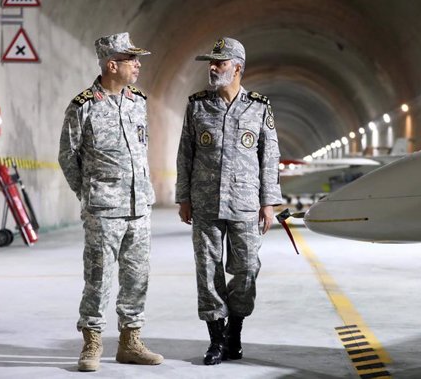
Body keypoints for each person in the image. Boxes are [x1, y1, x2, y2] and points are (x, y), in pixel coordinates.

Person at [58, 32, 163, 372]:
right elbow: (67, 157)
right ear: (111, 64)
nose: (138, 64)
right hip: (104, 209)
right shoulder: (83, 106)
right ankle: (92, 342)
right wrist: (89, 194)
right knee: (99, 277)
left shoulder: (138, 101)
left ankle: (130, 341)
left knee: (137, 277)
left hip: (139, 207)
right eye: (131, 59)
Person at [175, 37, 282, 365]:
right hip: (205, 202)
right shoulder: (197, 105)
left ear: (237, 66)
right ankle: (216, 340)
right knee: (207, 270)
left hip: (246, 203)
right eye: (211, 62)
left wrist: (269, 203)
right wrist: (183, 198)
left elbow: (269, 156)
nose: (212, 67)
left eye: (219, 62)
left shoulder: (259, 107)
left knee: (247, 268)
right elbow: (185, 154)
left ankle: (235, 332)